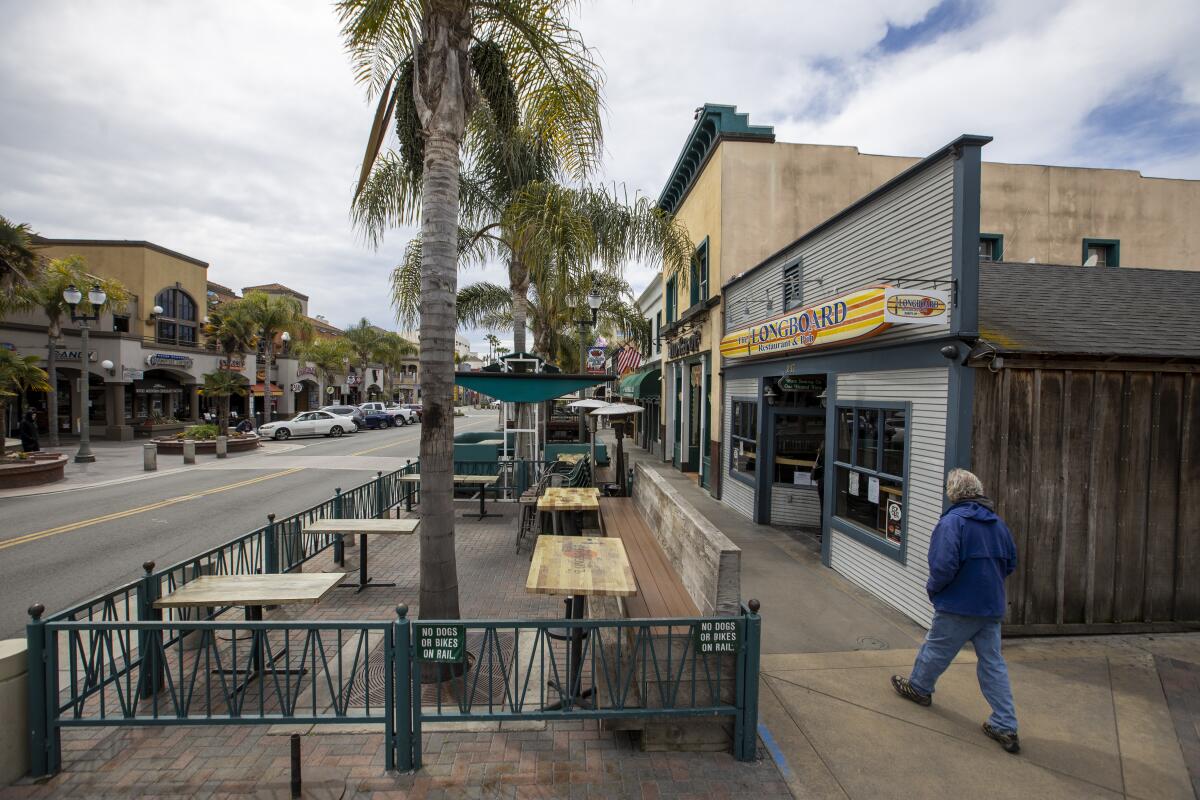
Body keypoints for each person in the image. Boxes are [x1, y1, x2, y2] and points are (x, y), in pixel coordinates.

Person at [891, 468, 1020, 754]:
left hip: (959, 604)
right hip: (990, 606)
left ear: (953, 493)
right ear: (978, 490)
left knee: (936, 649)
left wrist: (934, 590)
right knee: (993, 663)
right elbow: (1010, 562)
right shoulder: (998, 524)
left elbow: (942, 566)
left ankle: (919, 688)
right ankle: (1005, 724)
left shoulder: (952, 523)